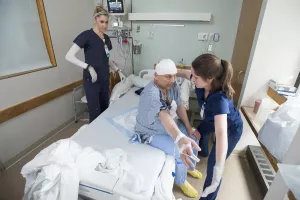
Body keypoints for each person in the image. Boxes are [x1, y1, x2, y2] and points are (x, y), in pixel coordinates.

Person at [177, 54, 243, 200]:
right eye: (193, 76)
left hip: (230, 130)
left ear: (210, 77)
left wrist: (218, 169)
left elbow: (221, 134)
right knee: (193, 135)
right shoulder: (202, 82)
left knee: (213, 167)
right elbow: (186, 73)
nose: (192, 79)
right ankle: (203, 153)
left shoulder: (219, 100)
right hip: (210, 120)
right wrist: (172, 73)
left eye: (195, 77)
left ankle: (208, 196)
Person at [134, 59, 202, 198]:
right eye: (168, 76)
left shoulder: (173, 85)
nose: (173, 80)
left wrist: (189, 128)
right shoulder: (151, 93)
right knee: (178, 148)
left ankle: (190, 167)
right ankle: (181, 181)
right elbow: (164, 116)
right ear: (156, 76)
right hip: (150, 130)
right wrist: (179, 137)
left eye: (174, 75)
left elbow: (180, 105)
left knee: (193, 136)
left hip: (168, 125)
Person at [65, 4, 121, 123]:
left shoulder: (106, 38)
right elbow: (69, 56)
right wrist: (88, 67)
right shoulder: (87, 36)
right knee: (95, 113)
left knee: (105, 110)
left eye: (106, 22)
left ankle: (104, 136)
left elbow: (106, 58)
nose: (105, 25)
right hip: (92, 81)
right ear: (95, 20)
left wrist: (117, 69)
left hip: (105, 79)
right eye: (101, 22)